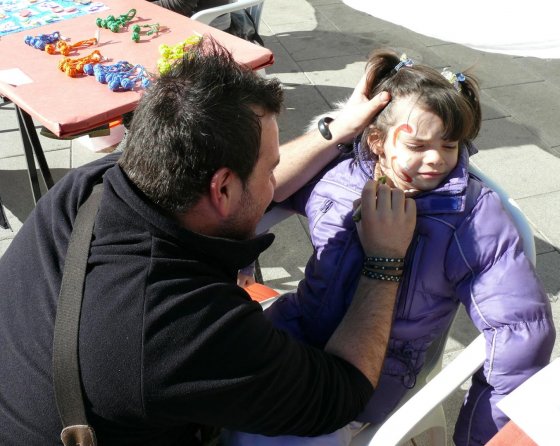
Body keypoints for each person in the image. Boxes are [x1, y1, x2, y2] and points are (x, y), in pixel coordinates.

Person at [0, 39, 417, 445]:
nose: (275, 184)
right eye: (269, 171)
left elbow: (244, 184)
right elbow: (341, 394)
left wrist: (335, 131)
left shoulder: (90, 185)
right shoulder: (184, 329)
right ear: (221, 190)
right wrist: (384, 261)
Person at [227, 50, 556, 445]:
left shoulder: (470, 217)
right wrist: (236, 254)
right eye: (417, 146)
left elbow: (519, 331)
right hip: (294, 333)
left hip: (372, 375)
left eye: (449, 145)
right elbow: (257, 199)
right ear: (377, 141)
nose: (436, 160)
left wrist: (482, 436)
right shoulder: (339, 175)